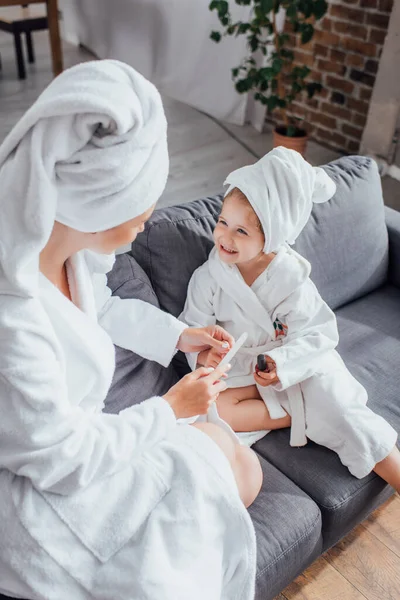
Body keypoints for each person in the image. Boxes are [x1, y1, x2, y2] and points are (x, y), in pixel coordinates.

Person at [0, 60, 262, 600]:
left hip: (89, 448)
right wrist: (170, 410)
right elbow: (62, 459)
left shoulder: (71, 255)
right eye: (142, 203)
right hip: (46, 495)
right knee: (225, 480)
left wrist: (181, 336)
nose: (149, 217)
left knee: (240, 464)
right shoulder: (14, 321)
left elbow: (104, 308)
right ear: (96, 204)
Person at [180, 146, 400, 492]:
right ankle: (297, 416)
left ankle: (396, 471)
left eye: (242, 232)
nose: (225, 236)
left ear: (271, 238)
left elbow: (318, 334)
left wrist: (280, 363)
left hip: (295, 360)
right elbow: (191, 325)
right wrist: (204, 352)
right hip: (239, 367)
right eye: (223, 222)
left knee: (339, 402)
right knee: (215, 408)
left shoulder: (291, 278)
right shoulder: (210, 277)